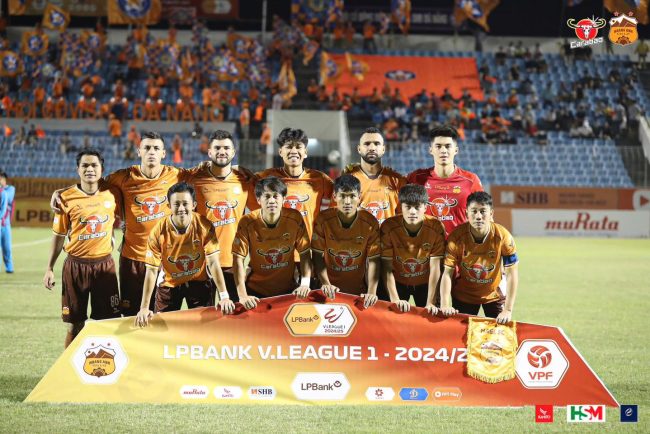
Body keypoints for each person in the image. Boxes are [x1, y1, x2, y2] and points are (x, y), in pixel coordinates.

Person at [50, 132, 191, 316]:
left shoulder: (176, 175)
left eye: (156, 148)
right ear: (139, 151)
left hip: (164, 259)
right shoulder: (123, 177)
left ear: (163, 153)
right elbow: (91, 182)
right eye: (147, 148)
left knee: (163, 316)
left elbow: (207, 175)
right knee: (131, 316)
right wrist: (62, 192)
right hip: (132, 259)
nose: (151, 152)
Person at [43, 150, 121, 348]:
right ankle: (69, 365)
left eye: (94, 165)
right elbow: (59, 236)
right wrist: (49, 268)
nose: (90, 169)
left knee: (107, 323)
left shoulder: (113, 193)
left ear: (101, 169)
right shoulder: (65, 198)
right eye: (85, 165)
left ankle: (104, 363)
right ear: (77, 169)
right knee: (74, 324)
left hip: (104, 266)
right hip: (75, 266)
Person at [135, 182, 234, 328]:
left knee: (204, 329)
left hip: (199, 282)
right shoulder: (158, 231)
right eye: (176, 204)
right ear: (169, 206)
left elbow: (213, 263)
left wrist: (224, 296)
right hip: (169, 284)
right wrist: (144, 307)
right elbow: (151, 271)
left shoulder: (204, 225)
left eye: (185, 204)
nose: (181, 208)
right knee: (162, 330)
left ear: (193, 205)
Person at [190, 130, 259, 301]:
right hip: (201, 262)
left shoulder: (244, 181)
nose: (222, 152)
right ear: (209, 152)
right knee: (203, 313)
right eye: (217, 148)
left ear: (233, 152)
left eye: (227, 148)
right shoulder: (195, 180)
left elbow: (261, 213)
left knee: (234, 312)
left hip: (232, 261)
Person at [437, 192, 519, 324]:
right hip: (464, 296)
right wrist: (445, 304)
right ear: (466, 213)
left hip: (494, 295)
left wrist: (508, 310)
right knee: (462, 334)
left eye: (483, 211)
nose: (478, 216)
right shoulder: (456, 238)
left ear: (491, 213)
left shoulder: (503, 237)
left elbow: (512, 274)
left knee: (499, 334)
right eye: (474, 211)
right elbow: (447, 273)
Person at [232, 177, 312, 309]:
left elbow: (305, 253)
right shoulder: (247, 221)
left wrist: (304, 284)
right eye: (267, 196)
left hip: (288, 291)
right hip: (255, 291)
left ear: (284, 199)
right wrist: (243, 296)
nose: (272, 201)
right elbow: (238, 260)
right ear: (258, 200)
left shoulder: (295, 218)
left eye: (276, 196)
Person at [311, 175, 379, 308]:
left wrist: (371, 291)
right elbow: (317, 255)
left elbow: (374, 260)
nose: (347, 201)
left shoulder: (370, 222)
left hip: (358, 292)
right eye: (342, 196)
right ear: (334, 197)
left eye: (352, 196)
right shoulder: (323, 219)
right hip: (327, 291)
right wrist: (325, 283)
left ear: (359, 197)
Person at [256, 128, 333, 241]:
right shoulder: (266, 177)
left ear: (305, 152)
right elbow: (241, 183)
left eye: (298, 147)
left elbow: (341, 195)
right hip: (276, 247)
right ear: (280, 152)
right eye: (288, 147)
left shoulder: (320, 179)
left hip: (307, 248)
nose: (293, 151)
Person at [407, 125, 483, 236]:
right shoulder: (416, 178)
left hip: (460, 245)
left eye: (448, 146)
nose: (443, 150)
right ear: (431, 150)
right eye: (438, 146)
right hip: (426, 245)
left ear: (456, 150)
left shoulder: (471, 180)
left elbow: (484, 216)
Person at [381, 184, 446, 311]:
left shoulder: (436, 226)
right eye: (408, 207)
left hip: (426, 283)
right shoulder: (388, 226)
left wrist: (431, 302)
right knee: (391, 318)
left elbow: (435, 267)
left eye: (417, 207)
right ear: (401, 206)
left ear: (425, 207)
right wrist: (395, 300)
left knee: (431, 317)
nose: (412, 212)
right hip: (398, 281)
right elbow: (386, 268)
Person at [343, 127, 406, 224]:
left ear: (383, 149)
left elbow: (403, 217)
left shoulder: (397, 180)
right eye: (367, 144)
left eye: (377, 144)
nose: (372, 148)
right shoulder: (347, 179)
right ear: (359, 149)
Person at [0, 170, 15, 273]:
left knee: (7, 247)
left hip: (5, 223)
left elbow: (9, 199)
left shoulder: (10, 189)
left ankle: (9, 268)